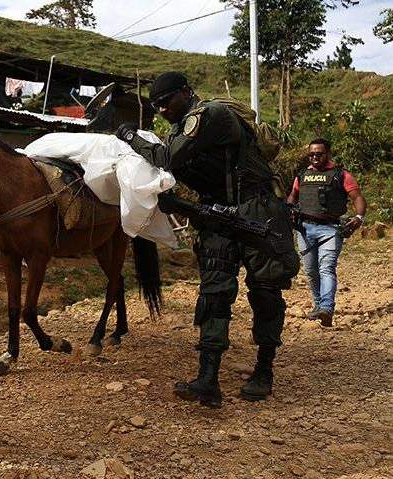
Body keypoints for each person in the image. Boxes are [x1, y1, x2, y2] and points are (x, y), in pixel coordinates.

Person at [115, 72, 299, 408]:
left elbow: (167, 158)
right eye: (155, 106)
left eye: (165, 102)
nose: (161, 110)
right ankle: (208, 379)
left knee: (265, 293)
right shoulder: (178, 128)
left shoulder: (210, 115)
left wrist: (130, 136)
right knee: (214, 295)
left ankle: (264, 371)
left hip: (257, 209)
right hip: (218, 215)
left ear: (186, 93)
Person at [286, 138, 367, 327]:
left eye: (319, 154)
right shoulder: (303, 175)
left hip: (330, 229)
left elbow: (357, 197)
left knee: (326, 267)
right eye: (311, 154)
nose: (314, 157)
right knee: (311, 271)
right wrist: (288, 209)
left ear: (327, 154)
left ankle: (327, 308)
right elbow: (293, 195)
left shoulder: (341, 174)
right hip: (304, 229)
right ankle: (318, 306)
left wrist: (359, 217)